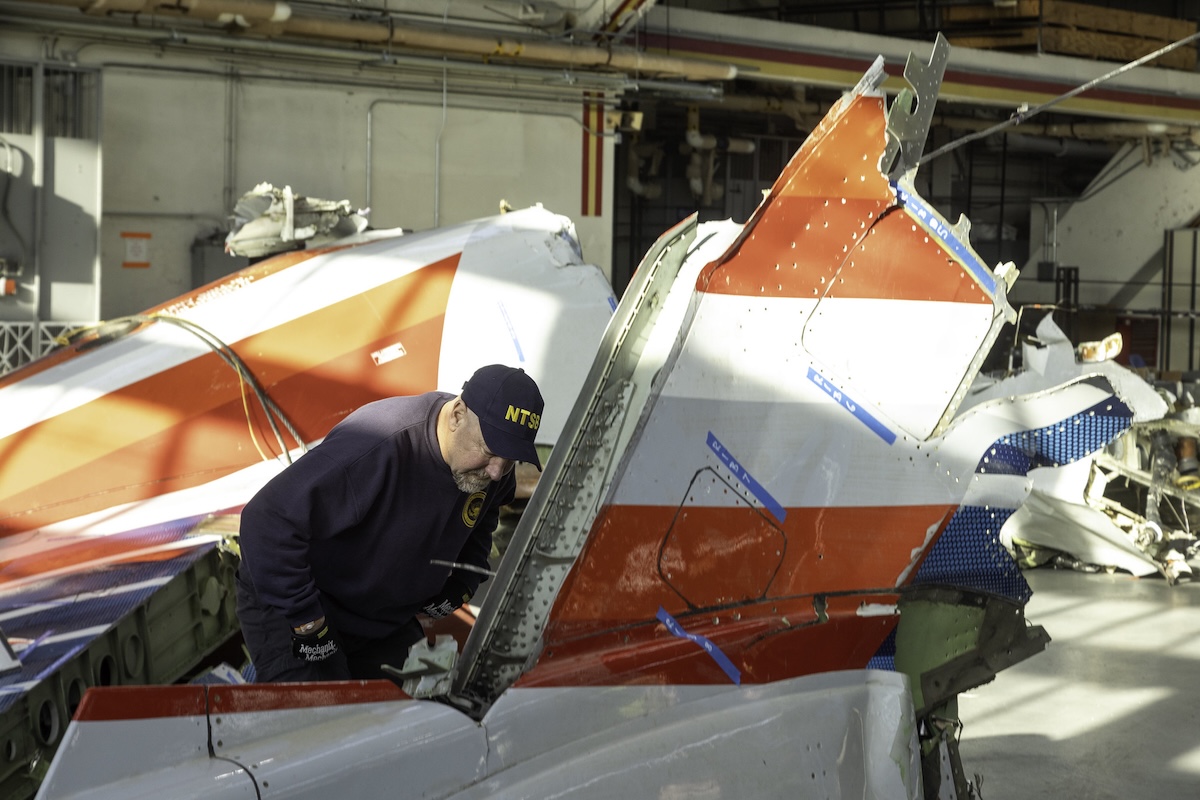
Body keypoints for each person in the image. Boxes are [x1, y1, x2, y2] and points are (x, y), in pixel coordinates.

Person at [235, 363, 544, 683]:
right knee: (323, 719)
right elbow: (265, 520)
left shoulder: (490, 470)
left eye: (510, 460)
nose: (496, 471)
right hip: (299, 601)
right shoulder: (376, 445)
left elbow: (486, 512)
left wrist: (465, 578)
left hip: (378, 615)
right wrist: (308, 622)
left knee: (418, 707)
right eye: (490, 451)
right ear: (457, 415)